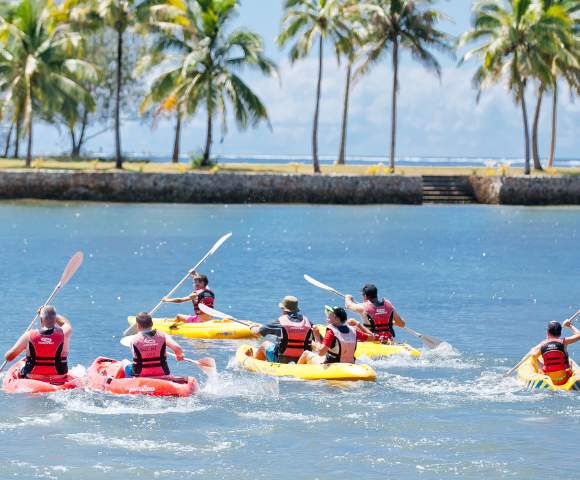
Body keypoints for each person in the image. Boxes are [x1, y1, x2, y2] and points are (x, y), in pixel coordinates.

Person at [4, 305, 72, 383]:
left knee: (21, 367)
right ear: (54, 319)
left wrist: (26, 347)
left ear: (41, 319)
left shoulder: (29, 335)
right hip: (59, 377)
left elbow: (9, 357)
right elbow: (66, 323)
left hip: (33, 378)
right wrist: (51, 314)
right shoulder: (64, 333)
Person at [298, 306, 383, 365]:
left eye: (330, 314)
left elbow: (321, 353)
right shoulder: (353, 330)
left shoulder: (331, 332)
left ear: (337, 318)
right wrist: (358, 324)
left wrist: (316, 335)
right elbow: (372, 337)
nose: (328, 315)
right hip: (350, 364)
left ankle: (296, 372)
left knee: (306, 353)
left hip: (333, 365)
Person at [250, 296, 314, 364]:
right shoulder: (308, 322)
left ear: (284, 309)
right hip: (302, 360)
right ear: (296, 309)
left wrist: (252, 327)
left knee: (265, 344)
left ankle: (255, 363)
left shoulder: (280, 322)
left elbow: (257, 333)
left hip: (281, 360)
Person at [125, 312, 184, 378]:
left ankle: (126, 383)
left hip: (141, 375)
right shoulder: (163, 335)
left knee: (125, 364)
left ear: (138, 326)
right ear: (152, 323)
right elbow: (177, 348)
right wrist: (179, 355)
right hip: (163, 373)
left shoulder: (134, 340)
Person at [530, 319, 580, 385]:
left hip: (548, 378)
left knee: (534, 358)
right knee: (570, 362)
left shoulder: (542, 345)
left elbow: (533, 355)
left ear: (547, 332)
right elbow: (579, 335)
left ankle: (537, 372)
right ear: (560, 333)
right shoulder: (564, 342)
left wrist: (533, 350)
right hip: (565, 378)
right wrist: (569, 325)